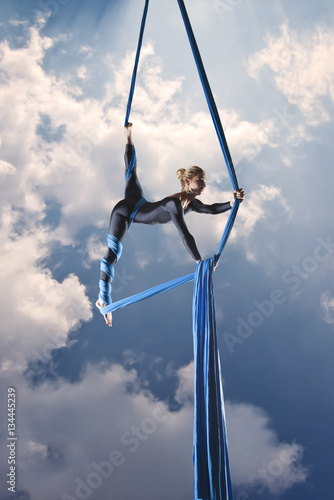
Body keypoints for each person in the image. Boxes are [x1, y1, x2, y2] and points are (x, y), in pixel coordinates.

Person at [96, 123, 244, 326]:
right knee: (112, 256)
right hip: (125, 212)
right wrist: (199, 262)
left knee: (131, 172)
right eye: (200, 181)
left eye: (204, 182)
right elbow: (185, 235)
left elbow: (211, 209)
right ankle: (103, 298)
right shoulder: (174, 204)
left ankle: (128, 136)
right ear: (186, 181)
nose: (203, 185)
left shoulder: (192, 204)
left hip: (138, 200)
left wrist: (232, 201)